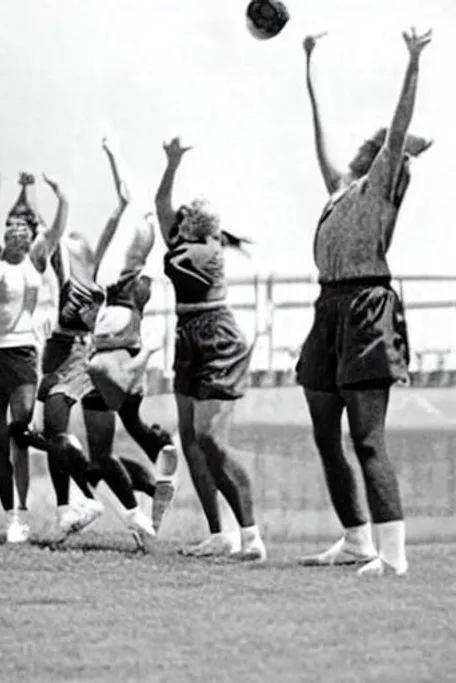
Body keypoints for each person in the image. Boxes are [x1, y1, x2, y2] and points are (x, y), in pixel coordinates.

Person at [295, 29, 433, 576]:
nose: (369, 144)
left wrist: (414, 61)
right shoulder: (338, 188)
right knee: (326, 432)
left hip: (366, 308)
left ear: (384, 160)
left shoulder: (378, 187)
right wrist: (309, 64)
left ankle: (393, 556)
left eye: (380, 145)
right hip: (328, 307)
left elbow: (399, 126)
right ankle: (355, 539)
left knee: (367, 438)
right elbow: (318, 127)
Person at [37, 138, 176, 543]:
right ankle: (136, 501)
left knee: (73, 442)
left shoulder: (97, 266)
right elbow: (61, 234)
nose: (71, 242)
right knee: (88, 450)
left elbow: (121, 203)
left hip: (85, 355)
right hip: (72, 353)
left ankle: (113, 503)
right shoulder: (72, 266)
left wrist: (111, 157)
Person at [154, 137, 266, 561]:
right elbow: (162, 201)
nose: (174, 224)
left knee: (209, 439)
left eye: (182, 222)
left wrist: (176, 223)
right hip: (187, 336)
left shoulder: (205, 250)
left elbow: (168, 218)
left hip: (216, 336)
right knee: (190, 439)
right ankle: (220, 534)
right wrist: (172, 164)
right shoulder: (186, 243)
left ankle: (251, 535)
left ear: (194, 225)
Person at [0, 171, 68, 543]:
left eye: (21, 225)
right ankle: (15, 517)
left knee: (21, 429)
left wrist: (60, 197)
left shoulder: (36, 259)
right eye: (9, 224)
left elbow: (57, 228)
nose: (15, 229)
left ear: (30, 235)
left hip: (22, 356)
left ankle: (68, 462)